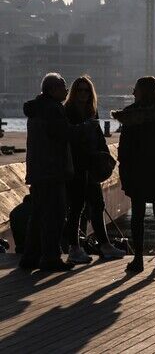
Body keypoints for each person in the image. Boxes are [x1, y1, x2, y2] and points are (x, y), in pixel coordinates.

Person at [112, 76, 155, 274]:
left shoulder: (131, 116)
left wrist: (124, 169)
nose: (133, 93)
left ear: (142, 91)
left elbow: (124, 148)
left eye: (135, 89)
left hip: (137, 171)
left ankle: (138, 258)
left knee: (138, 216)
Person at [63, 76, 126, 264]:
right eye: (80, 90)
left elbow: (98, 137)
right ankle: (74, 248)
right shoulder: (69, 111)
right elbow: (69, 137)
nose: (83, 93)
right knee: (76, 208)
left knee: (98, 205)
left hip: (91, 166)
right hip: (77, 166)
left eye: (86, 90)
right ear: (74, 92)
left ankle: (105, 245)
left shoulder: (92, 111)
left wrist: (106, 155)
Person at [19, 73, 74, 271]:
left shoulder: (37, 109)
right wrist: (84, 129)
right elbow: (63, 134)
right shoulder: (52, 109)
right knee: (56, 216)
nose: (67, 90)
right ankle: (51, 257)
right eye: (63, 86)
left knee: (38, 215)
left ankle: (30, 257)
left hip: (38, 169)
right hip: (52, 170)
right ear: (52, 90)